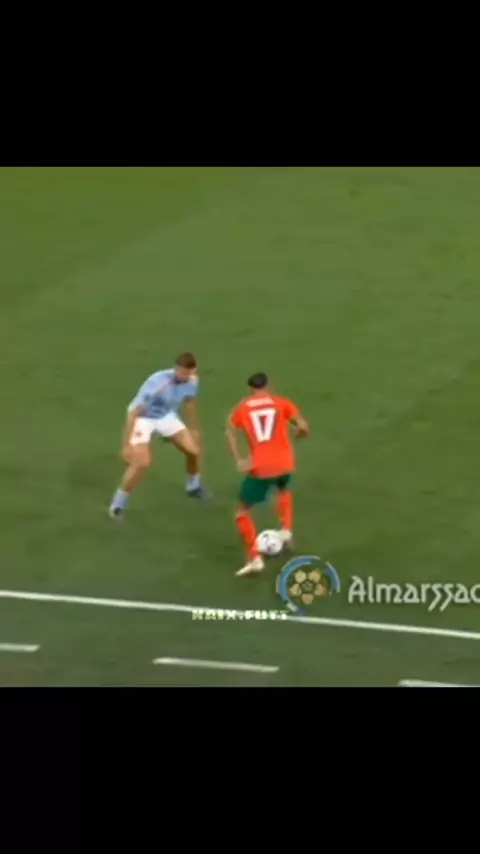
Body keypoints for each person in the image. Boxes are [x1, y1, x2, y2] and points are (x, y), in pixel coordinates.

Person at [225, 372, 309, 576]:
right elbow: (304, 427)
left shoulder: (242, 407)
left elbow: (230, 430)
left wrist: (240, 459)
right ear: (269, 386)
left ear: (250, 389)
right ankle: (286, 530)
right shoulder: (281, 402)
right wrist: (299, 435)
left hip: (261, 466)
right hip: (285, 462)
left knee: (241, 511)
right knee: (284, 489)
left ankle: (255, 558)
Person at [109, 352, 207, 518]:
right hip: (143, 418)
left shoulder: (192, 380)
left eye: (189, 373)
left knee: (194, 451)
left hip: (165, 416)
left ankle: (193, 486)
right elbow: (133, 413)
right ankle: (117, 505)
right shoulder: (158, 384)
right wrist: (126, 445)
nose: (186, 377)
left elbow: (189, 401)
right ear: (176, 369)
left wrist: (194, 428)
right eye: (183, 373)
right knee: (142, 463)